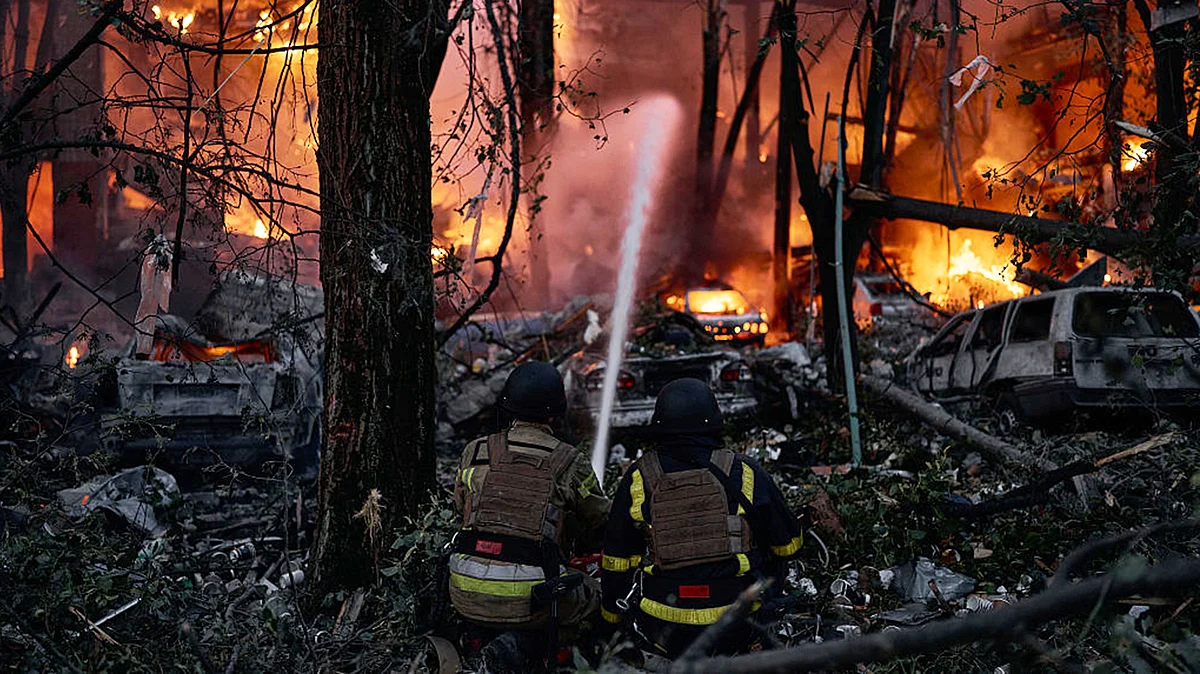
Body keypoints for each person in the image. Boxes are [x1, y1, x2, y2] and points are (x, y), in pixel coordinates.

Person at [600, 378, 804, 659]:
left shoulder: (639, 477)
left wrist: (611, 621)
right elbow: (789, 546)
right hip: (737, 624)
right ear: (714, 418)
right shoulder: (744, 472)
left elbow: (617, 561)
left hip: (663, 628)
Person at [449, 361, 610, 669]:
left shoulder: (475, 451)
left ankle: (481, 638)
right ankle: (531, 647)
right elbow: (600, 521)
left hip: (464, 588)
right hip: (535, 596)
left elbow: (461, 509)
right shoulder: (569, 460)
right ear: (555, 411)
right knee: (598, 597)